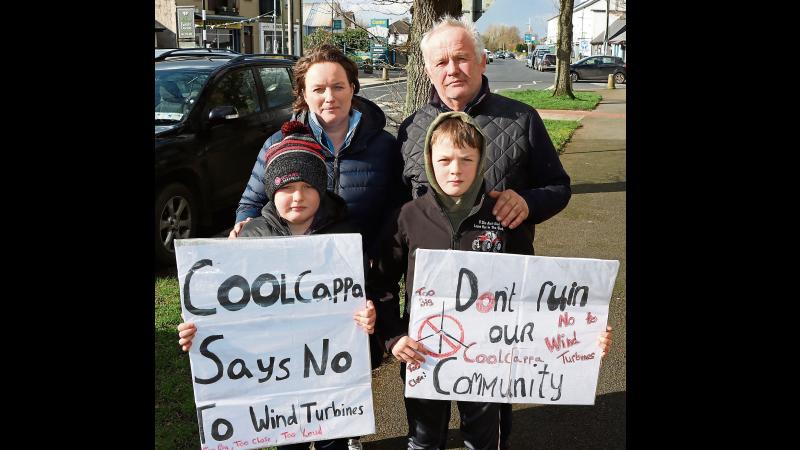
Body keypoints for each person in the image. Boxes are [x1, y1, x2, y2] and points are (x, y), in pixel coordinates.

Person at [370, 112, 613, 449]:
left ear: (481, 161)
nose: (455, 169)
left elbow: (533, 291)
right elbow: (379, 283)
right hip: (423, 354)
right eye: (444, 160)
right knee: (424, 440)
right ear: (428, 160)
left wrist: (581, 332)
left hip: (490, 358)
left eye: (466, 159)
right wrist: (393, 337)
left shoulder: (502, 215)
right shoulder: (407, 217)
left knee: (484, 441)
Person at [397, 16, 574, 448]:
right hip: (430, 312)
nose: (451, 69)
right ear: (427, 70)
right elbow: (398, 213)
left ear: (482, 61)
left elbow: (559, 186)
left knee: (490, 420)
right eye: (441, 61)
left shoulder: (522, 119)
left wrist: (530, 201)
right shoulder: (410, 129)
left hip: (500, 312)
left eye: (461, 58)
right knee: (425, 426)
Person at [177, 121, 377, 450]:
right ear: (271, 190)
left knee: (333, 441)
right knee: (288, 441)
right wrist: (199, 331)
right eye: (285, 187)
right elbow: (226, 308)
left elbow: (360, 291)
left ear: (321, 187)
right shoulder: (251, 236)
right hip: (277, 379)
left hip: (330, 374)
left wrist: (366, 314)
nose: (297, 197)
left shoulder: (345, 234)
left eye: (308, 186)